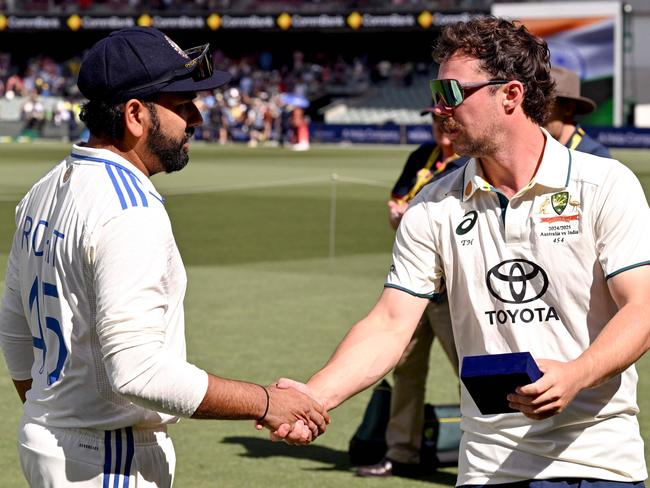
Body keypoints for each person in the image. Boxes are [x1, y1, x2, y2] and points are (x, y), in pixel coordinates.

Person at [271, 16, 650, 487]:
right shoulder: (432, 203)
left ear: (510, 95)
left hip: (596, 461)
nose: (439, 108)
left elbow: (642, 308)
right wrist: (314, 397)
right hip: (488, 468)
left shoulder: (605, 184)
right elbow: (389, 324)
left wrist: (577, 374)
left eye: (451, 93)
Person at [0, 27, 327, 488]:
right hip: (106, 455)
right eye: (181, 105)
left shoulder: (43, 188)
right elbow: (138, 371)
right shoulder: (129, 209)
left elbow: (15, 332)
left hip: (47, 440)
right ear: (135, 114)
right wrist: (266, 402)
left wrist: (53, 414)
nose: (195, 116)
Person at [357, 112, 468, 478]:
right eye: (433, 117)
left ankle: (480, 456)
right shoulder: (421, 155)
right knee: (406, 371)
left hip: (455, 291)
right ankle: (401, 453)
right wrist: (396, 217)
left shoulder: (470, 161)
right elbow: (399, 207)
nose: (438, 122)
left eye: (444, 115)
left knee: (471, 375)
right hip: (415, 287)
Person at [544, 66, 611, 158]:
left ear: (568, 108)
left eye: (544, 104)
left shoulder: (595, 156)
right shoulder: (542, 151)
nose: (535, 112)